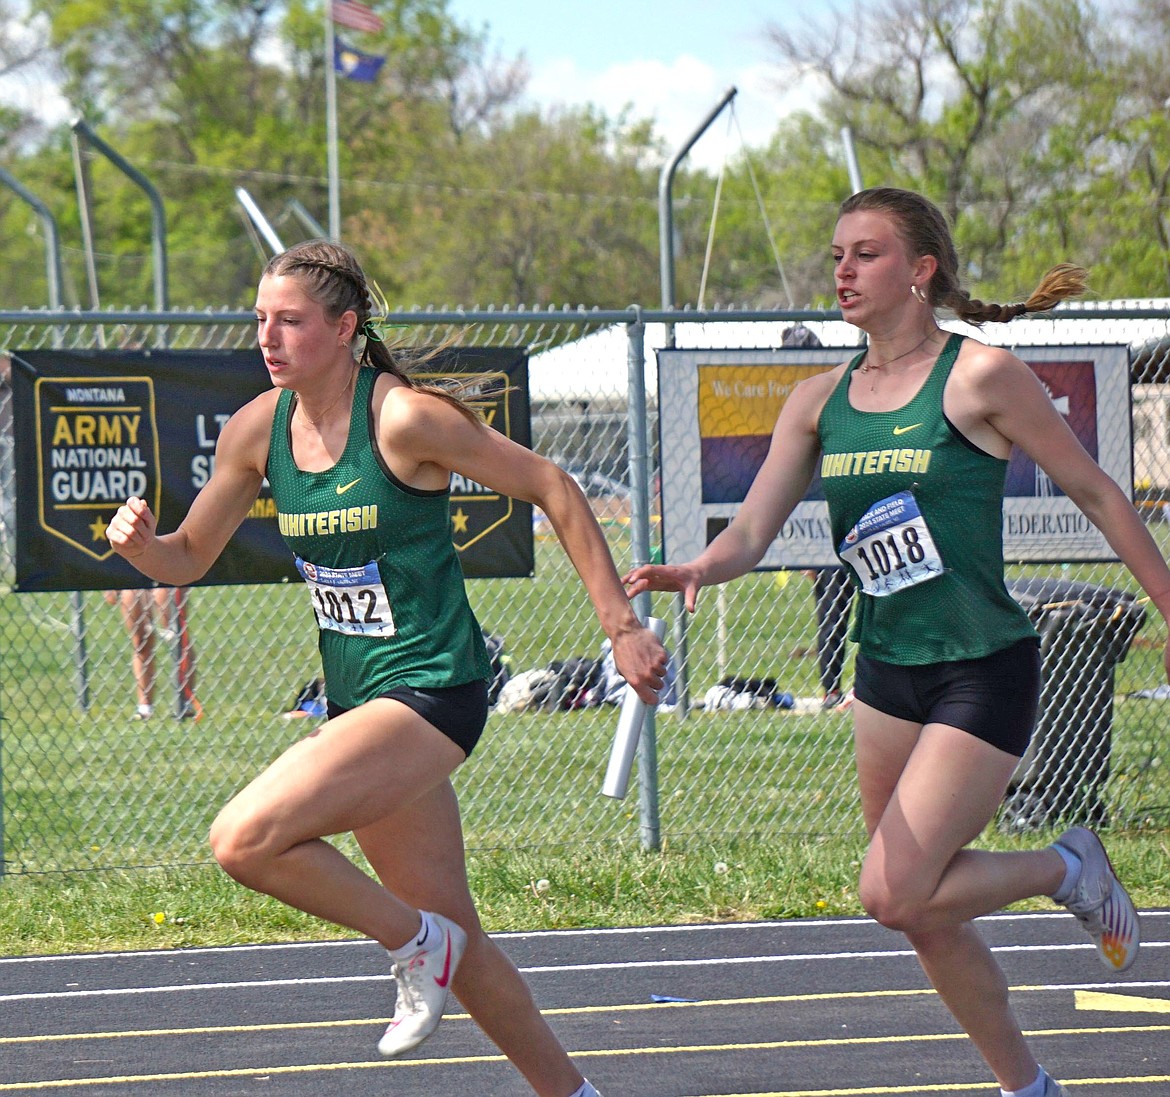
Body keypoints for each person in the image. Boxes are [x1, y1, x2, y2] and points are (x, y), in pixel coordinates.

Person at [625, 186, 1168, 1097]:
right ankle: (1027, 1085)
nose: (842, 269)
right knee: (922, 910)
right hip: (885, 675)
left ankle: (1064, 865)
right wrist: (698, 571)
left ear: (921, 271)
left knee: (892, 890)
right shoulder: (815, 400)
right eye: (836, 253)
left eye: (866, 253)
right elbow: (753, 532)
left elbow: (1101, 495)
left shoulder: (980, 376)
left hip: (980, 665)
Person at [106, 239, 666, 1097]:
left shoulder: (402, 419)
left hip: (436, 688)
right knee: (465, 941)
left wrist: (619, 626)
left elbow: (554, 483)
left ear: (345, 328)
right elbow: (187, 556)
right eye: (260, 319)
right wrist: (144, 547)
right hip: (360, 700)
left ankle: (413, 942)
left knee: (244, 837)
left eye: (290, 320)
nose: (269, 336)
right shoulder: (260, 428)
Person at [102, 587, 199, 720]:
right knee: (140, 640)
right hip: (132, 575)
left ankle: (185, 702)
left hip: (165, 573)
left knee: (177, 635)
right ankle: (144, 708)